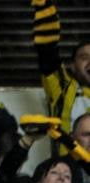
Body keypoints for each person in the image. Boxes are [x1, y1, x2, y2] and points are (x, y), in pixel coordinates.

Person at [30, 0, 90, 145]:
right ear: (73, 66)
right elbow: (47, 53)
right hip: (67, 166)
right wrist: (44, 10)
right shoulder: (61, 88)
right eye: (84, 57)